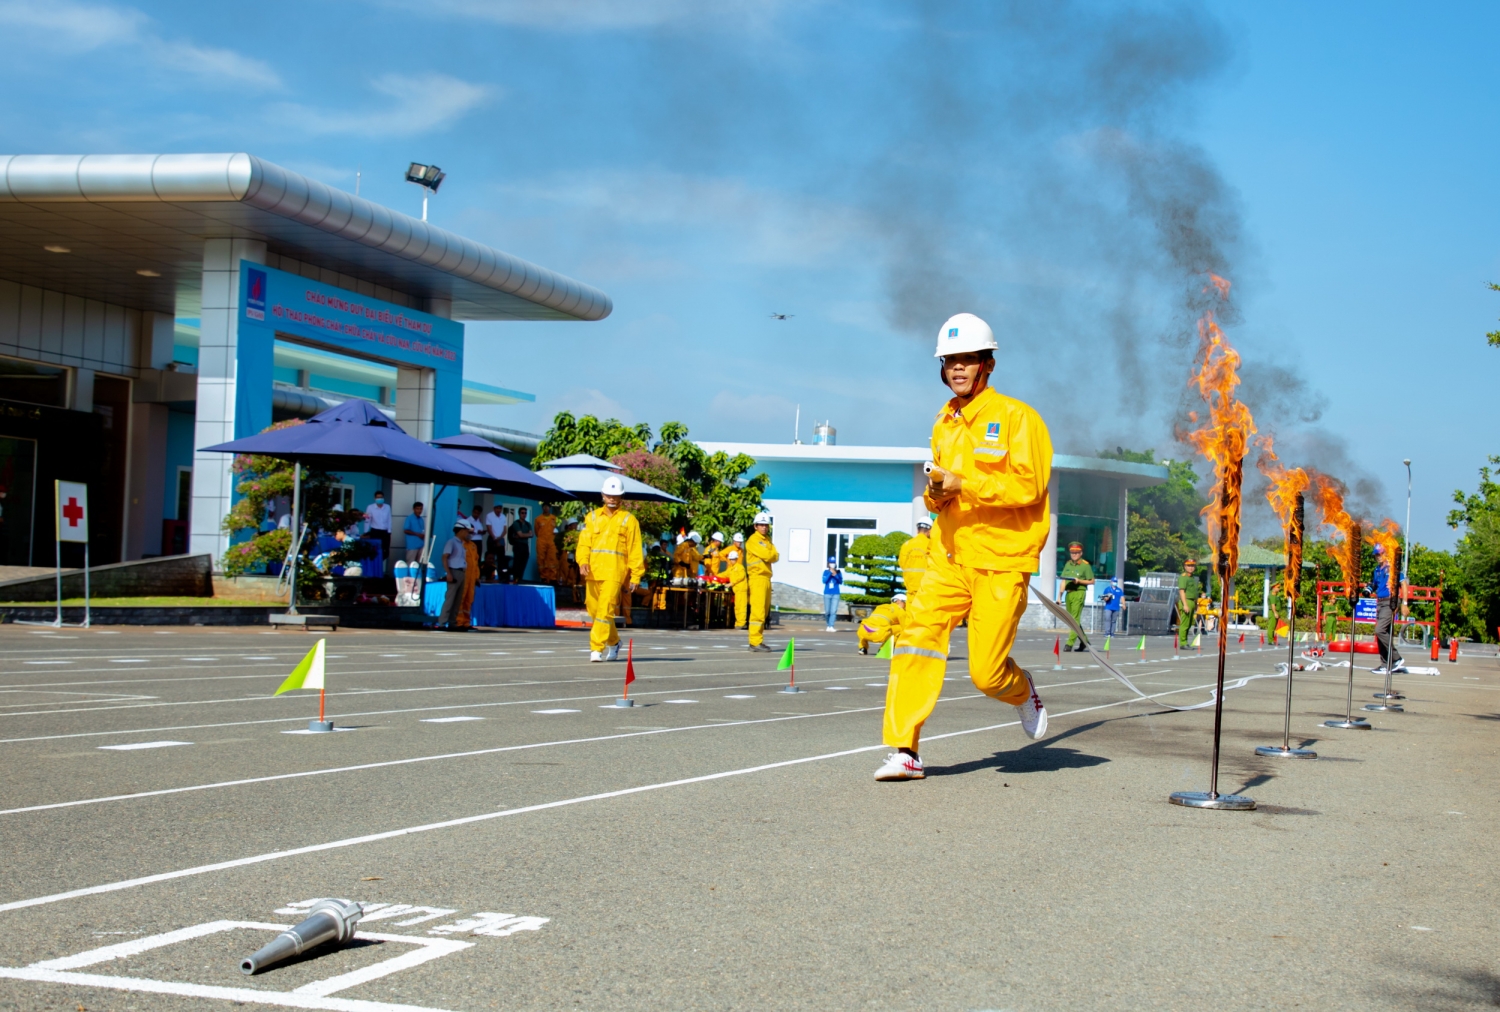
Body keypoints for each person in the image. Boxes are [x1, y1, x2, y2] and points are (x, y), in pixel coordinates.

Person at [875, 312, 1050, 782]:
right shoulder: (943, 423)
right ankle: (904, 750)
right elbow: (944, 490)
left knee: (986, 674)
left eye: (967, 360)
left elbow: (1030, 488)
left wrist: (963, 484)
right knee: (915, 639)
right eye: (950, 360)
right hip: (947, 557)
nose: (957, 368)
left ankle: (1021, 690)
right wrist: (938, 493)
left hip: (1001, 562)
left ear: (987, 364)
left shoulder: (1018, 418)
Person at [577, 475, 645, 662]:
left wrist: (636, 575)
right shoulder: (591, 517)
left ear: (622, 497)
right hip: (593, 572)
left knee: (605, 610)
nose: (612, 498)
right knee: (594, 611)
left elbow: (635, 549)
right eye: (609, 495)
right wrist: (582, 560)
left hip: (615, 572)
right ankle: (614, 642)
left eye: (616, 495)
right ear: (603, 495)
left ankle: (596, 648)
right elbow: (584, 543)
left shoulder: (629, 520)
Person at [1370, 543, 1407, 675]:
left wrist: (1404, 603)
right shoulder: (1376, 570)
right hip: (1379, 602)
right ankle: (1385, 664)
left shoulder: (1392, 568)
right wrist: (1368, 589)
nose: (1378, 557)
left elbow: (1403, 584)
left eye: (1380, 554)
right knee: (1383, 633)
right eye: (1376, 555)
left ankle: (1396, 658)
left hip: (1390, 601)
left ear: (1386, 554)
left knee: (1379, 630)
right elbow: (1374, 584)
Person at [745, 513, 779, 651]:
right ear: (755, 526)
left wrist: (770, 555)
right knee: (758, 611)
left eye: (766, 525)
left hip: (766, 578)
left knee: (764, 612)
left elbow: (775, 556)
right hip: (757, 577)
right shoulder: (753, 540)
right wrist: (769, 555)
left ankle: (758, 640)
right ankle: (754, 642)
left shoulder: (767, 540)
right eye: (761, 525)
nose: (764, 527)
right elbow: (768, 555)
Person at [1060, 541, 1095, 651]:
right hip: (1068, 593)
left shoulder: (1085, 566)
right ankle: (1084, 641)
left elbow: (1092, 581)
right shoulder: (1067, 564)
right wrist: (1059, 596)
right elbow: (1063, 581)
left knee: (1074, 619)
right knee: (1071, 620)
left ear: (1081, 553)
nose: (1074, 554)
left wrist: (1079, 581)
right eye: (1072, 552)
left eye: (1076, 552)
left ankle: (1069, 644)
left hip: (1079, 592)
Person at [437, 520, 470, 630]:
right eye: (466, 531)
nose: (467, 533)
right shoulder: (451, 542)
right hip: (454, 571)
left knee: (457, 600)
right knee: (450, 599)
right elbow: (445, 557)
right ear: (460, 531)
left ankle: (452, 622)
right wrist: (448, 573)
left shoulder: (461, 543)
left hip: (461, 572)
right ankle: (442, 622)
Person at [898, 518, 932, 596]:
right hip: (926, 589)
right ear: (930, 531)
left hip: (910, 588)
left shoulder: (906, 545)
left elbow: (902, 564)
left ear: (917, 530)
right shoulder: (931, 544)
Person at [364, 491, 392, 573]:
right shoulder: (370, 507)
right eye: (378, 497)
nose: (380, 499)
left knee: (386, 552)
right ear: (375, 498)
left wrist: (389, 530)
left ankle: (380, 566)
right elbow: (367, 520)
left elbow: (389, 519)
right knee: (374, 551)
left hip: (385, 532)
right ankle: (375, 570)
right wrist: (366, 532)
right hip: (375, 531)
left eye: (381, 497)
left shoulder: (387, 507)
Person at [1176, 559, 1200, 650]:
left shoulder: (1193, 578)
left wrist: (1196, 604)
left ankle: (1185, 642)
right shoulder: (1183, 577)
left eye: (1192, 566)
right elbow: (1182, 591)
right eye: (1189, 566)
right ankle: (1183, 643)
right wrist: (1185, 604)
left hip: (1192, 601)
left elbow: (1194, 592)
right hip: (1186, 601)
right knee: (1185, 624)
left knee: (1190, 623)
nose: (1191, 568)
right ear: (1185, 566)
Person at [727, 533, 748, 628]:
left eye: (732, 559)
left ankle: (742, 623)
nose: (731, 561)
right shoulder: (732, 568)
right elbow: (725, 574)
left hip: (741, 590)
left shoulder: (739, 567)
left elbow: (741, 576)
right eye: (730, 559)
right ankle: (738, 623)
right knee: (737, 607)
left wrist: (731, 583)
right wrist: (716, 577)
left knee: (741, 607)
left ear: (735, 559)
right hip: (737, 590)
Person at [535, 504, 560, 583]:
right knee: (541, 559)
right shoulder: (538, 519)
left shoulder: (554, 518)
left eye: (547, 507)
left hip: (551, 541)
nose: (546, 508)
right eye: (544, 506)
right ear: (542, 508)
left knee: (552, 559)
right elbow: (536, 531)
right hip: (541, 541)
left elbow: (556, 530)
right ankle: (543, 577)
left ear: (550, 508)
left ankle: (553, 578)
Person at [509, 506, 534, 582]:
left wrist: (522, 535)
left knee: (523, 565)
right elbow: (521, 535)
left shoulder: (528, 524)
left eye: (525, 513)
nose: (524, 514)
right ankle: (515, 580)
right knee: (517, 564)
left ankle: (520, 579)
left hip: (525, 546)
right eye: (522, 513)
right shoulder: (516, 523)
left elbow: (532, 535)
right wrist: (525, 535)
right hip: (518, 546)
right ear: (519, 514)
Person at [821, 556, 844, 631]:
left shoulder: (838, 572)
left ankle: (831, 626)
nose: (832, 564)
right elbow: (824, 581)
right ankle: (828, 625)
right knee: (827, 611)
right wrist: (830, 574)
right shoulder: (826, 572)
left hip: (836, 593)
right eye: (831, 562)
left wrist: (836, 575)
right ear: (828, 563)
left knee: (833, 611)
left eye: (833, 563)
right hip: (827, 593)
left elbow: (840, 581)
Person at [485, 503, 508, 568]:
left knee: (501, 558)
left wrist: (499, 538)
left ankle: (500, 575)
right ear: (494, 508)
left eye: (500, 508)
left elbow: (505, 530)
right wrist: (495, 539)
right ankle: (490, 574)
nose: (499, 510)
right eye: (497, 508)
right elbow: (489, 529)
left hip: (500, 539)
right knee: (490, 558)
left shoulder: (503, 516)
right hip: (492, 539)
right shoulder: (489, 515)